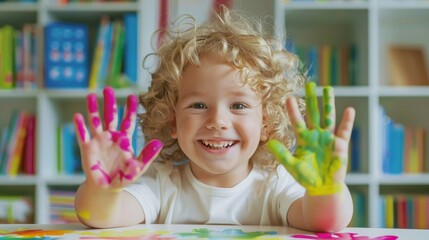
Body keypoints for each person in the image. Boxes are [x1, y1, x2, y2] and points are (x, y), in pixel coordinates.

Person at [73, 6, 356, 232]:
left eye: (238, 105)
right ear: (172, 121)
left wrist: (326, 190)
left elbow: (324, 223)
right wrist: (102, 190)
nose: (217, 120)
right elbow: (99, 217)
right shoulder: (161, 184)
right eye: (198, 105)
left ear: (266, 121)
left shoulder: (275, 185)